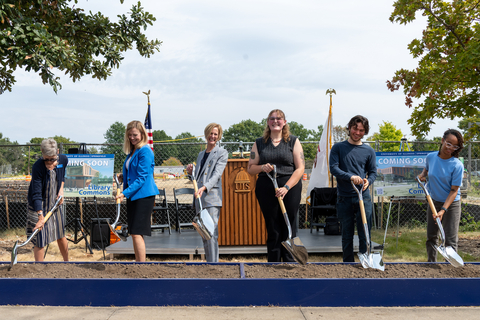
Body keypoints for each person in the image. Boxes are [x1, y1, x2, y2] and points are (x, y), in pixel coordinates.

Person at [247, 109, 305, 262]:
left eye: (279, 118)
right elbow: (250, 168)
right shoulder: (259, 143)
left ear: (284, 122)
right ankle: (273, 261)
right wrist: (262, 167)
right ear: (268, 122)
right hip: (267, 187)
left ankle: (290, 260)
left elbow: (300, 168)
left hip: (289, 187)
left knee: (289, 222)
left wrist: (286, 187)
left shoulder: (293, 141)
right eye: (272, 118)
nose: (275, 121)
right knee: (272, 224)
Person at [329, 115, 377, 262]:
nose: (357, 133)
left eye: (361, 130)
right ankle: (348, 264)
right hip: (344, 197)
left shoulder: (368, 151)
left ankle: (365, 261)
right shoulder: (338, 148)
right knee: (347, 234)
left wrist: (368, 181)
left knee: (365, 232)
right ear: (349, 128)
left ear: (365, 132)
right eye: (355, 129)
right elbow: (334, 169)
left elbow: (373, 172)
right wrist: (351, 177)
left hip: (364, 197)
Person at [417, 129, 464, 262]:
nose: (451, 148)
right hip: (434, 201)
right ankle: (431, 264)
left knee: (449, 238)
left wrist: (443, 210)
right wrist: (422, 175)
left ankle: (450, 268)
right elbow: (427, 169)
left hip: (451, 204)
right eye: (449, 144)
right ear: (442, 141)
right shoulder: (431, 157)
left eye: (455, 146)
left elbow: (454, 190)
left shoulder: (457, 165)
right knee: (432, 236)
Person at [116, 120, 159, 262]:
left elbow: (142, 178)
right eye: (130, 135)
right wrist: (123, 177)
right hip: (134, 195)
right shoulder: (133, 151)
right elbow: (134, 173)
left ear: (142, 134)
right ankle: (139, 264)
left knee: (137, 232)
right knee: (134, 232)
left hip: (143, 196)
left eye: (135, 135)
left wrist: (123, 193)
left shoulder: (145, 151)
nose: (132, 138)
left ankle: (142, 266)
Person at [186, 123, 228, 263]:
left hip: (211, 198)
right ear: (206, 134)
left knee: (211, 233)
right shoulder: (201, 154)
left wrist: (204, 187)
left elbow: (216, 175)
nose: (213, 136)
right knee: (204, 233)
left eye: (215, 134)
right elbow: (197, 177)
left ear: (218, 136)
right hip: (199, 198)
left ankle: (214, 264)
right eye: (211, 133)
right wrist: (191, 173)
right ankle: (209, 262)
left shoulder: (222, 153)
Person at [27, 138, 69, 261]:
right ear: (42, 153)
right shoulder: (38, 167)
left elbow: (62, 176)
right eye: (47, 159)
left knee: (60, 234)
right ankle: (40, 270)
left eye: (52, 159)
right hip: (39, 204)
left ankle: (68, 264)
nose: (50, 162)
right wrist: (40, 216)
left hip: (55, 204)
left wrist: (61, 190)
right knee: (40, 237)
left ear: (57, 151)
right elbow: (36, 193)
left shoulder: (63, 160)